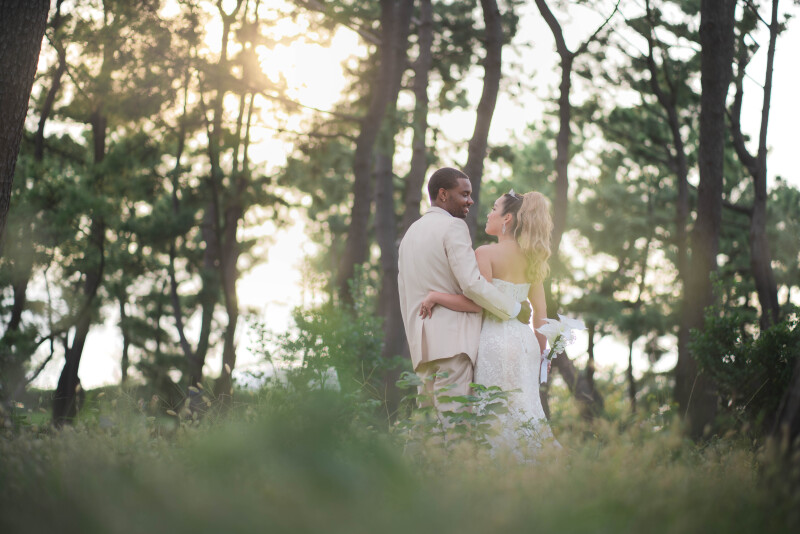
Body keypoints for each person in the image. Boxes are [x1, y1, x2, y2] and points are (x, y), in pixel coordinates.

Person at [419, 189, 560, 455]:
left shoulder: (485, 253)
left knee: (494, 413)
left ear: (507, 219)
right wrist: (544, 354)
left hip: (494, 340)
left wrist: (436, 296)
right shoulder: (533, 256)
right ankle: (538, 465)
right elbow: (541, 315)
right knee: (527, 409)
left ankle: (499, 468)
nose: (488, 213)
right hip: (526, 344)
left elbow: (475, 302)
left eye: (494, 209)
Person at [397, 168, 532, 419]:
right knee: (456, 425)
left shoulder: (410, 235)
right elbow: (472, 284)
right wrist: (513, 308)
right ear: (443, 194)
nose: (471, 200)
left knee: (427, 430)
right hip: (454, 345)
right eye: (464, 194)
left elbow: (405, 294)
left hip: (421, 347)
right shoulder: (453, 227)